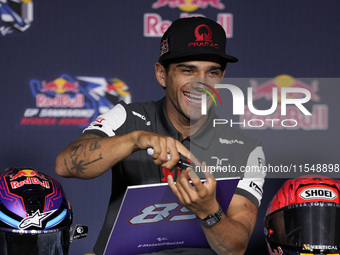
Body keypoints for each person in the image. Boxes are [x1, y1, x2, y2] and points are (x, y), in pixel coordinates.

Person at [55, 17, 266, 255]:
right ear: (162, 74)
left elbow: (235, 249)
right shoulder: (127, 117)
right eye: (188, 70)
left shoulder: (246, 150)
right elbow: (65, 165)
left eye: (212, 72)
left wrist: (209, 211)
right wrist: (136, 140)